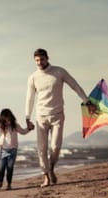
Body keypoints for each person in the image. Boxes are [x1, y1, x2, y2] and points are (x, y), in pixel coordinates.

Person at [25, 48, 96, 187]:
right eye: (37, 60)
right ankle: (46, 176)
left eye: (42, 59)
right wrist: (27, 117)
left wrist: (87, 101)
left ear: (47, 58)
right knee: (41, 148)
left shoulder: (59, 72)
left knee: (55, 147)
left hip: (57, 115)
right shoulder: (33, 77)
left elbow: (75, 85)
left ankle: (51, 167)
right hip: (41, 117)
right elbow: (30, 98)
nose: (40, 63)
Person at [0, 108, 31, 191]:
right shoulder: (1, 128)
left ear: (12, 118)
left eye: (9, 120)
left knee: (10, 167)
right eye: (6, 121)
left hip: (13, 150)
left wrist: (29, 128)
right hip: (3, 150)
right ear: (2, 121)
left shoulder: (15, 126)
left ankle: (9, 184)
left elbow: (23, 131)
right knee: (1, 168)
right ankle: (0, 182)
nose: (8, 122)